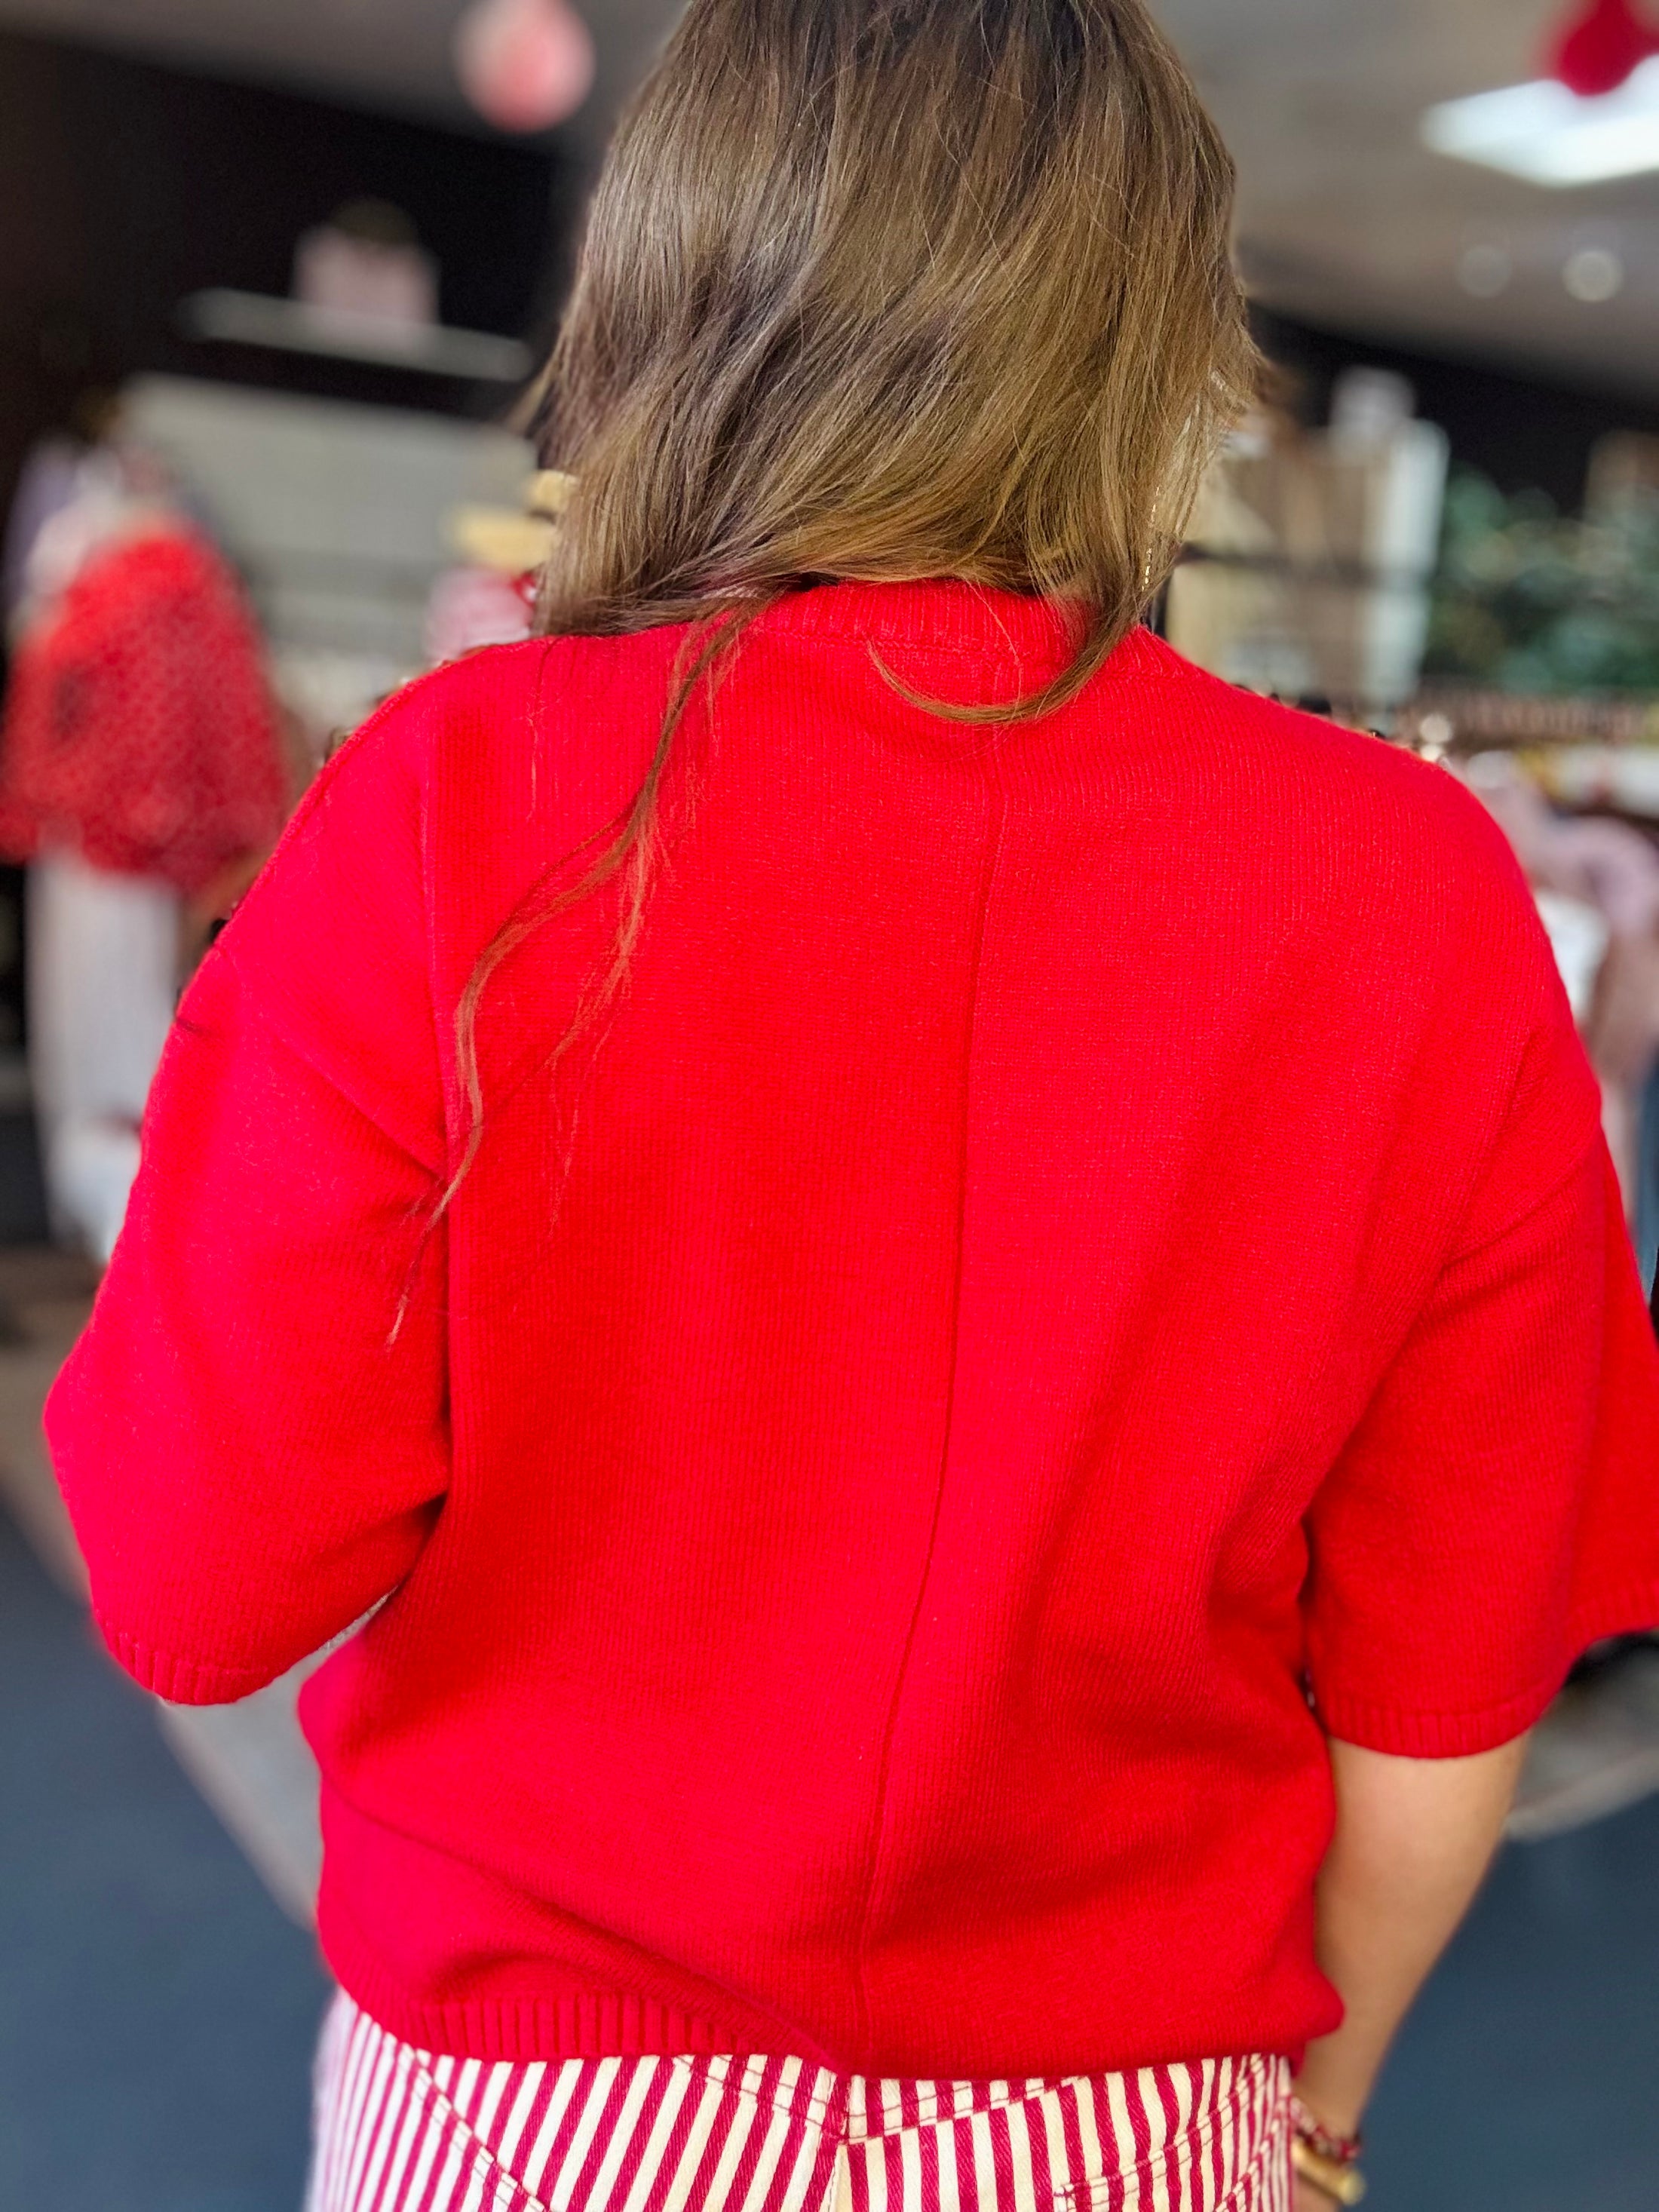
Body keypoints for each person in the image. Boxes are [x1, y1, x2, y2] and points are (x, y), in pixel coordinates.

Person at [44, 3, 1659, 2208]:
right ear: (1159, 343)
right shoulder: (1414, 896)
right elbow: (1438, 1714)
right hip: (1132, 2132)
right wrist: (1325, 2113)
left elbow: (186, 1576)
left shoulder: (463, 798)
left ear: (665, 291)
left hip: (531, 2128)